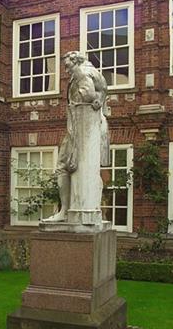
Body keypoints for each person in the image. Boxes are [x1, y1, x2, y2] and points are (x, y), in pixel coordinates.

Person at [44, 51, 110, 225]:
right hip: (88, 125)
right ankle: (80, 209)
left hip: (80, 125)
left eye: (67, 65)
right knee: (85, 170)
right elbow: (103, 88)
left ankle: (64, 211)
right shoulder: (92, 71)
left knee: (62, 167)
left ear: (75, 61)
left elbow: (87, 94)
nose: (66, 69)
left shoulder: (81, 72)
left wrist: (89, 100)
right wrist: (100, 100)